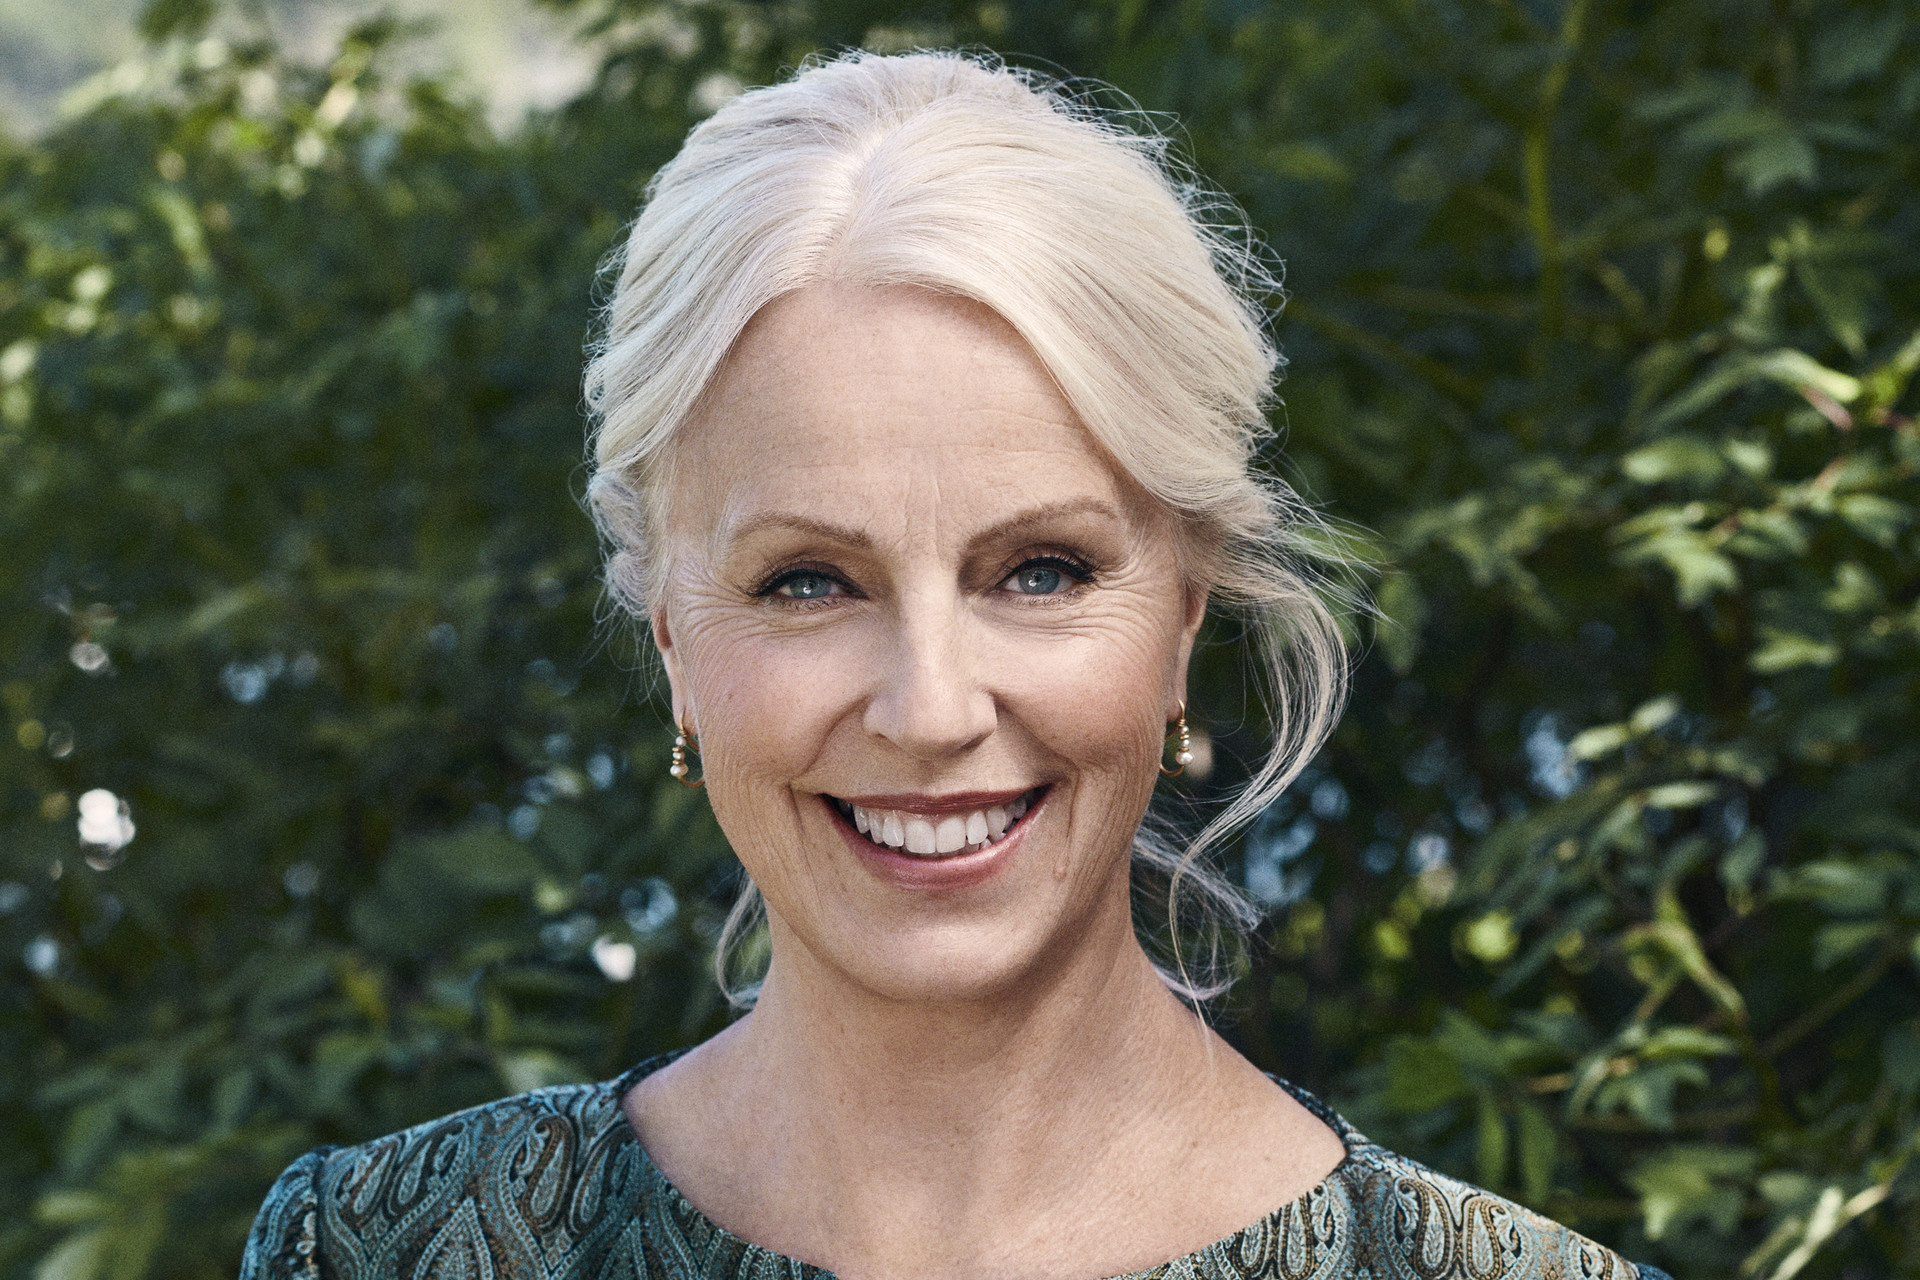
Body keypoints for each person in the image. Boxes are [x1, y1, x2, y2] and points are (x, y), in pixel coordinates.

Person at [241, 50, 1669, 1280]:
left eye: (1039, 572)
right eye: (809, 582)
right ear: (671, 637)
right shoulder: (373, 1251)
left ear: (1184, 616)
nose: (930, 710)